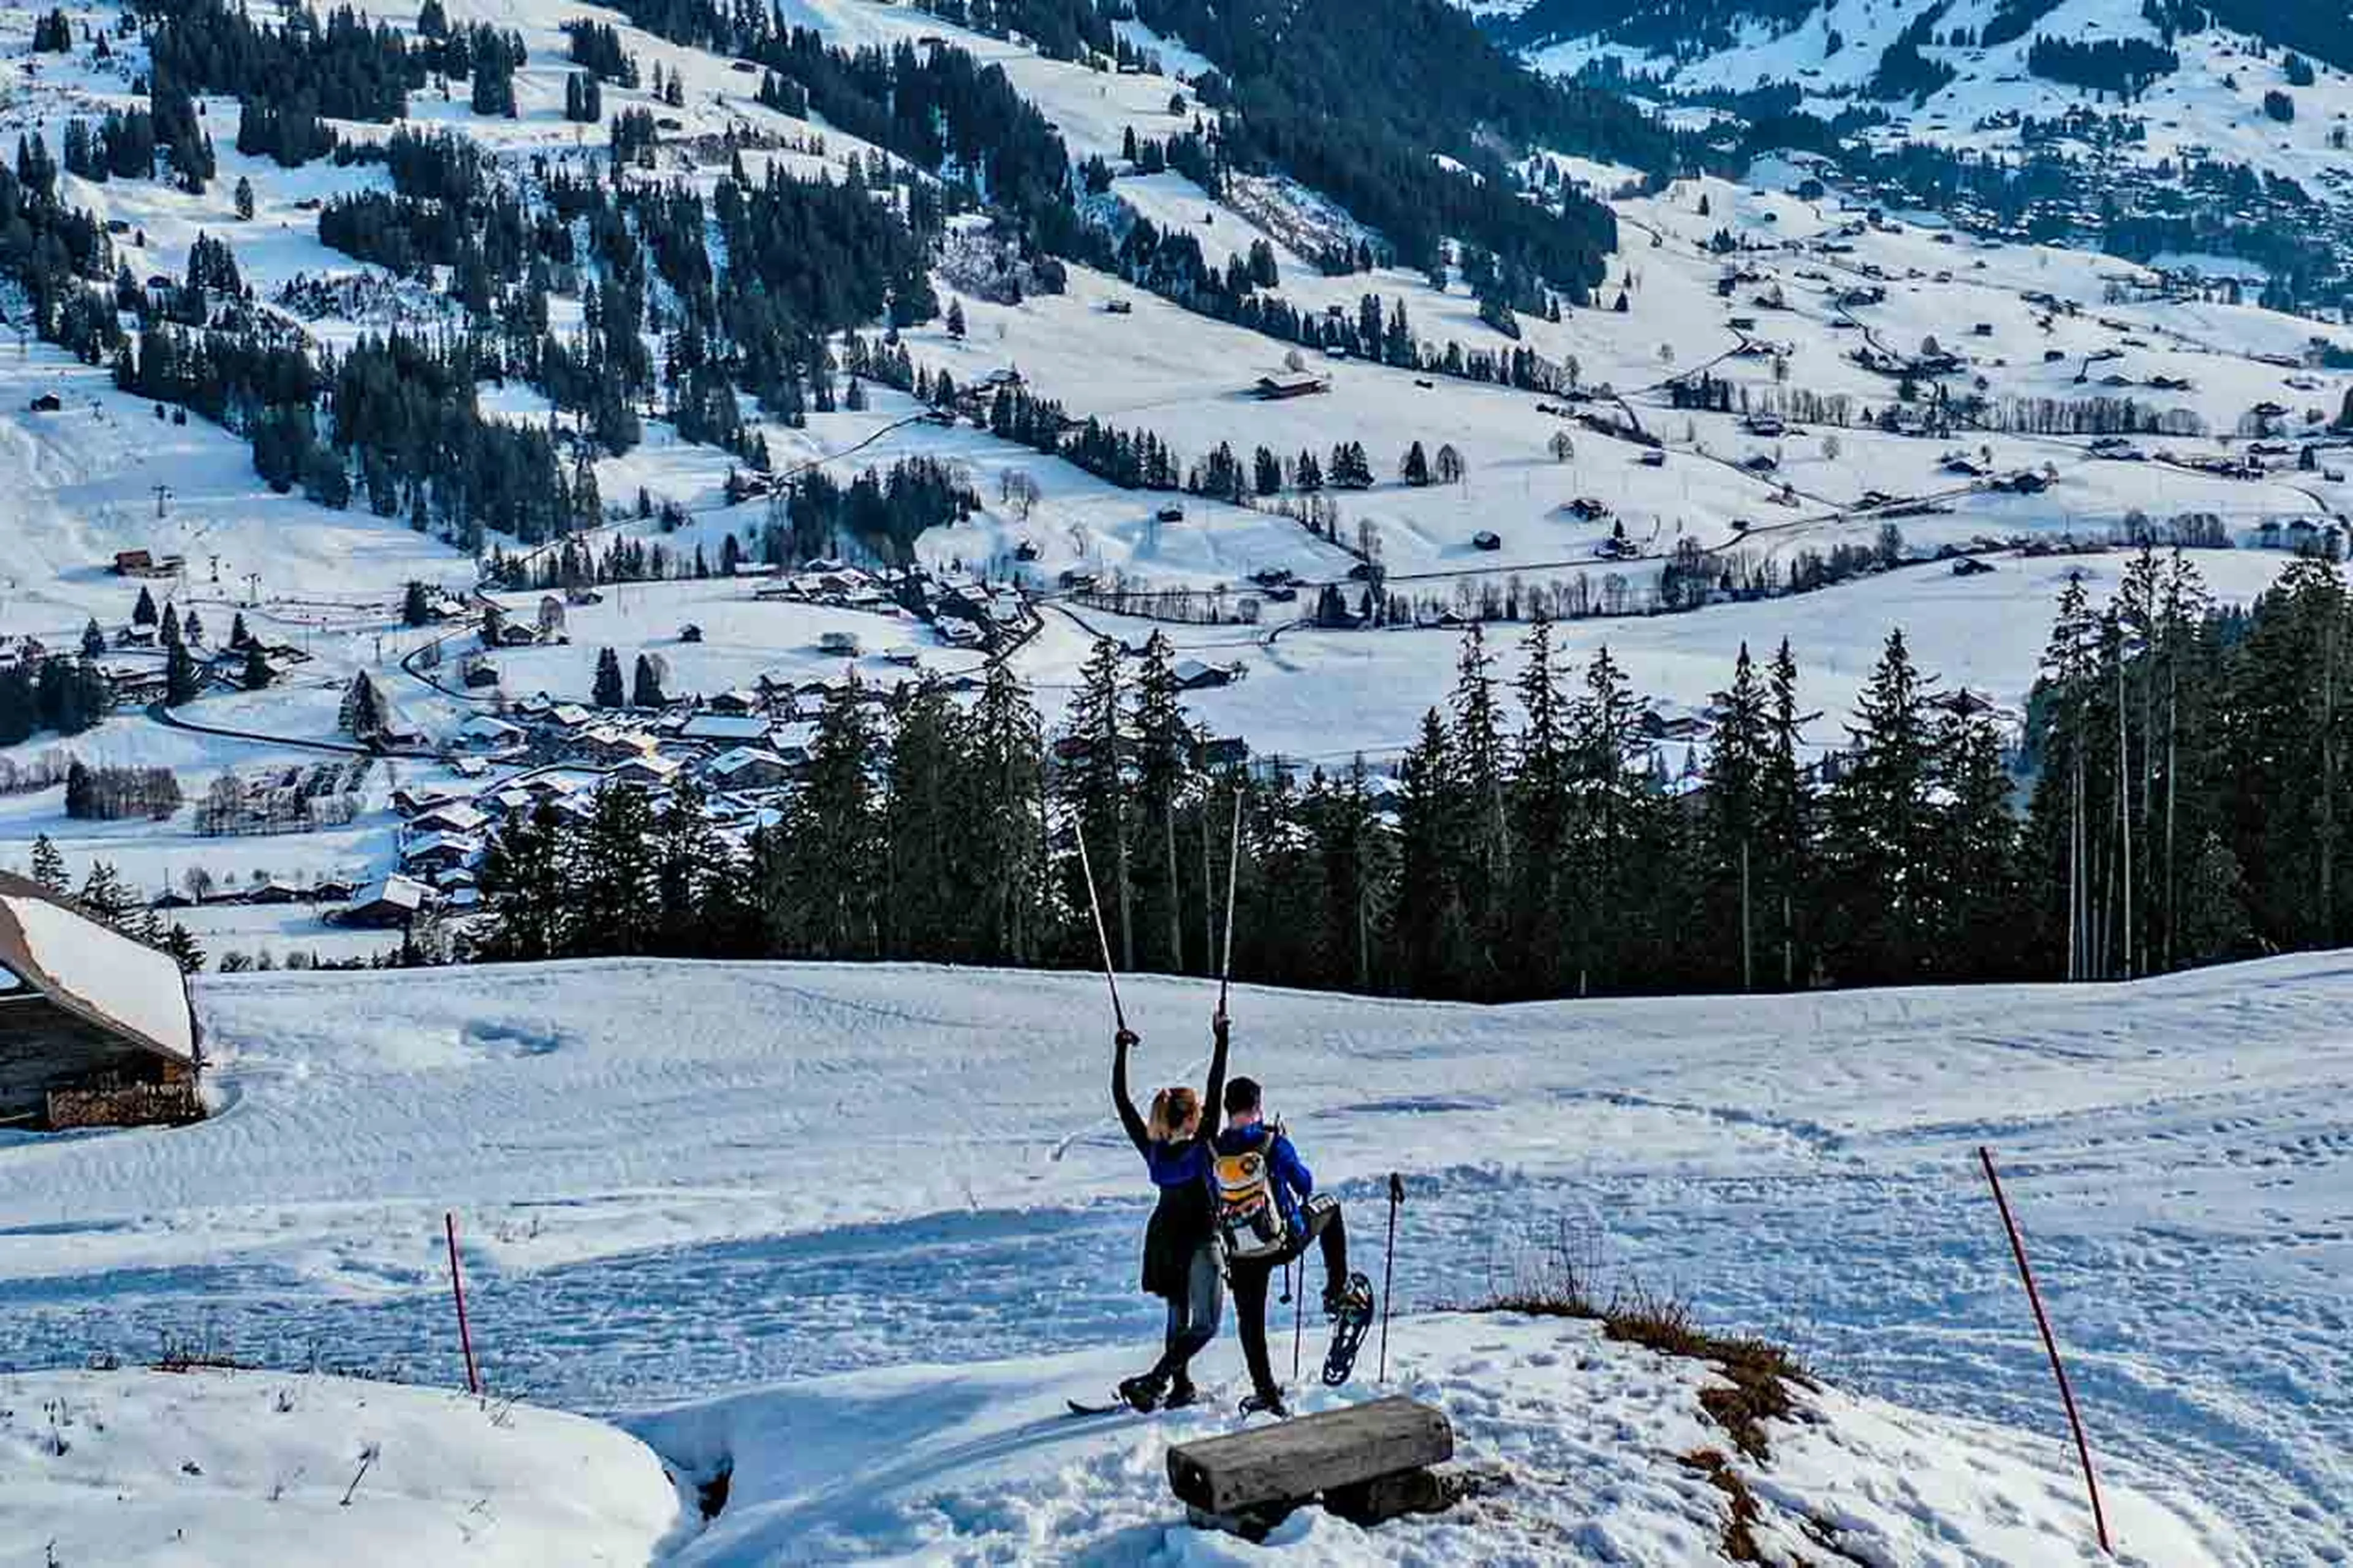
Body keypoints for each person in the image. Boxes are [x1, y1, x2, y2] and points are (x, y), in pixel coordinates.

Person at [1211, 1075, 1372, 1417]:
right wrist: (1283, 1144)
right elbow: (1305, 1184)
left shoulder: (1214, 1149)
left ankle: (1266, 1393)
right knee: (1330, 1207)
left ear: (1227, 1109)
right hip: (1282, 1241)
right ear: (1257, 1107)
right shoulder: (1271, 1143)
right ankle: (1336, 1291)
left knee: (1250, 1322)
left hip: (1240, 1251)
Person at [1110, 1013, 1230, 1412]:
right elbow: (1216, 1087)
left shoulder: (1154, 1150)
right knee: (1207, 1323)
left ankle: (1181, 1387)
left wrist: (1121, 1050)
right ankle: (1157, 1379)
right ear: (1192, 1117)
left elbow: (1122, 1102)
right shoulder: (1200, 1146)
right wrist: (1221, 1038)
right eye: (1198, 1111)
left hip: (1163, 1237)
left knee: (1178, 1316)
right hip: (1199, 1237)